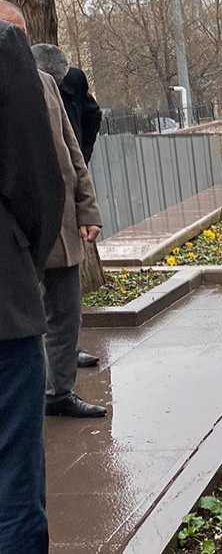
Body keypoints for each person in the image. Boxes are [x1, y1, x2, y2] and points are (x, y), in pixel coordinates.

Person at [0, 0, 106, 418]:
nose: (18, 43)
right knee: (28, 321)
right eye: (10, 33)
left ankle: (58, 392)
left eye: (21, 34)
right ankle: (35, 394)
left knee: (66, 312)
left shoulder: (45, 83)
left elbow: (71, 152)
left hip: (58, 224)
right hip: (16, 237)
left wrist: (87, 210)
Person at [0, 14, 64, 554]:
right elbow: (37, 182)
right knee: (12, 487)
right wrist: (26, 261)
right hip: (2, 308)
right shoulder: (3, 49)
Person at [31, 43, 102, 369]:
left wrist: (86, 206)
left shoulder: (60, 82)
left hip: (61, 213)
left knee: (64, 306)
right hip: (24, 225)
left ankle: (61, 380)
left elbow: (76, 140)